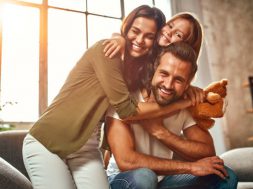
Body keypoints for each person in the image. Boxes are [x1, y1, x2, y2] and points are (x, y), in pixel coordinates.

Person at [22, 5, 194, 189]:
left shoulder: (138, 69)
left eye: (149, 36)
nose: (140, 40)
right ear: (126, 28)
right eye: (135, 31)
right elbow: (127, 111)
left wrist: (192, 91)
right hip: (48, 142)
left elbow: (167, 78)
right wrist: (179, 104)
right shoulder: (107, 52)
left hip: (86, 150)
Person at [105, 42, 238, 189]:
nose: (168, 85)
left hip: (164, 180)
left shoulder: (184, 105)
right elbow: (127, 161)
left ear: (188, 83)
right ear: (155, 69)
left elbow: (207, 152)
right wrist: (190, 167)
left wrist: (161, 132)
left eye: (178, 80)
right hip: (124, 179)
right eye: (164, 74)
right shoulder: (125, 99)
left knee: (225, 176)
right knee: (145, 177)